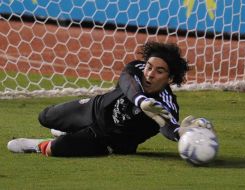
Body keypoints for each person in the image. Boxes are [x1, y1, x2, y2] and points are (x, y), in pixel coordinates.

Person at [7, 41, 213, 157]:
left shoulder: (167, 103)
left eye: (159, 72)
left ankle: (35, 145)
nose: (150, 74)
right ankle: (69, 128)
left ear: (169, 78)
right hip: (92, 109)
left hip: (107, 140)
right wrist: (141, 101)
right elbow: (127, 83)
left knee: (58, 148)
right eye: (150, 67)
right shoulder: (136, 69)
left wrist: (179, 133)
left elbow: (167, 126)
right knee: (44, 116)